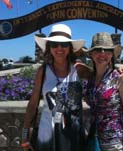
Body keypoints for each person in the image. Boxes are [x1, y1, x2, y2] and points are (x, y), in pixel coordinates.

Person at [21, 23, 86, 151]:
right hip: (47, 135)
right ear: (49, 48)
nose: (59, 48)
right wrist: (25, 135)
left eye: (64, 44)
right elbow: (33, 105)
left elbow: (101, 76)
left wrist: (121, 71)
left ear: (70, 48)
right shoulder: (43, 71)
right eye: (54, 44)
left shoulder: (79, 69)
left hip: (73, 135)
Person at [84, 32, 123, 151]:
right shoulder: (91, 78)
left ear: (112, 54)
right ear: (92, 54)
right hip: (94, 139)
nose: (102, 53)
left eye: (107, 50)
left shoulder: (121, 77)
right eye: (98, 50)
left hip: (114, 142)